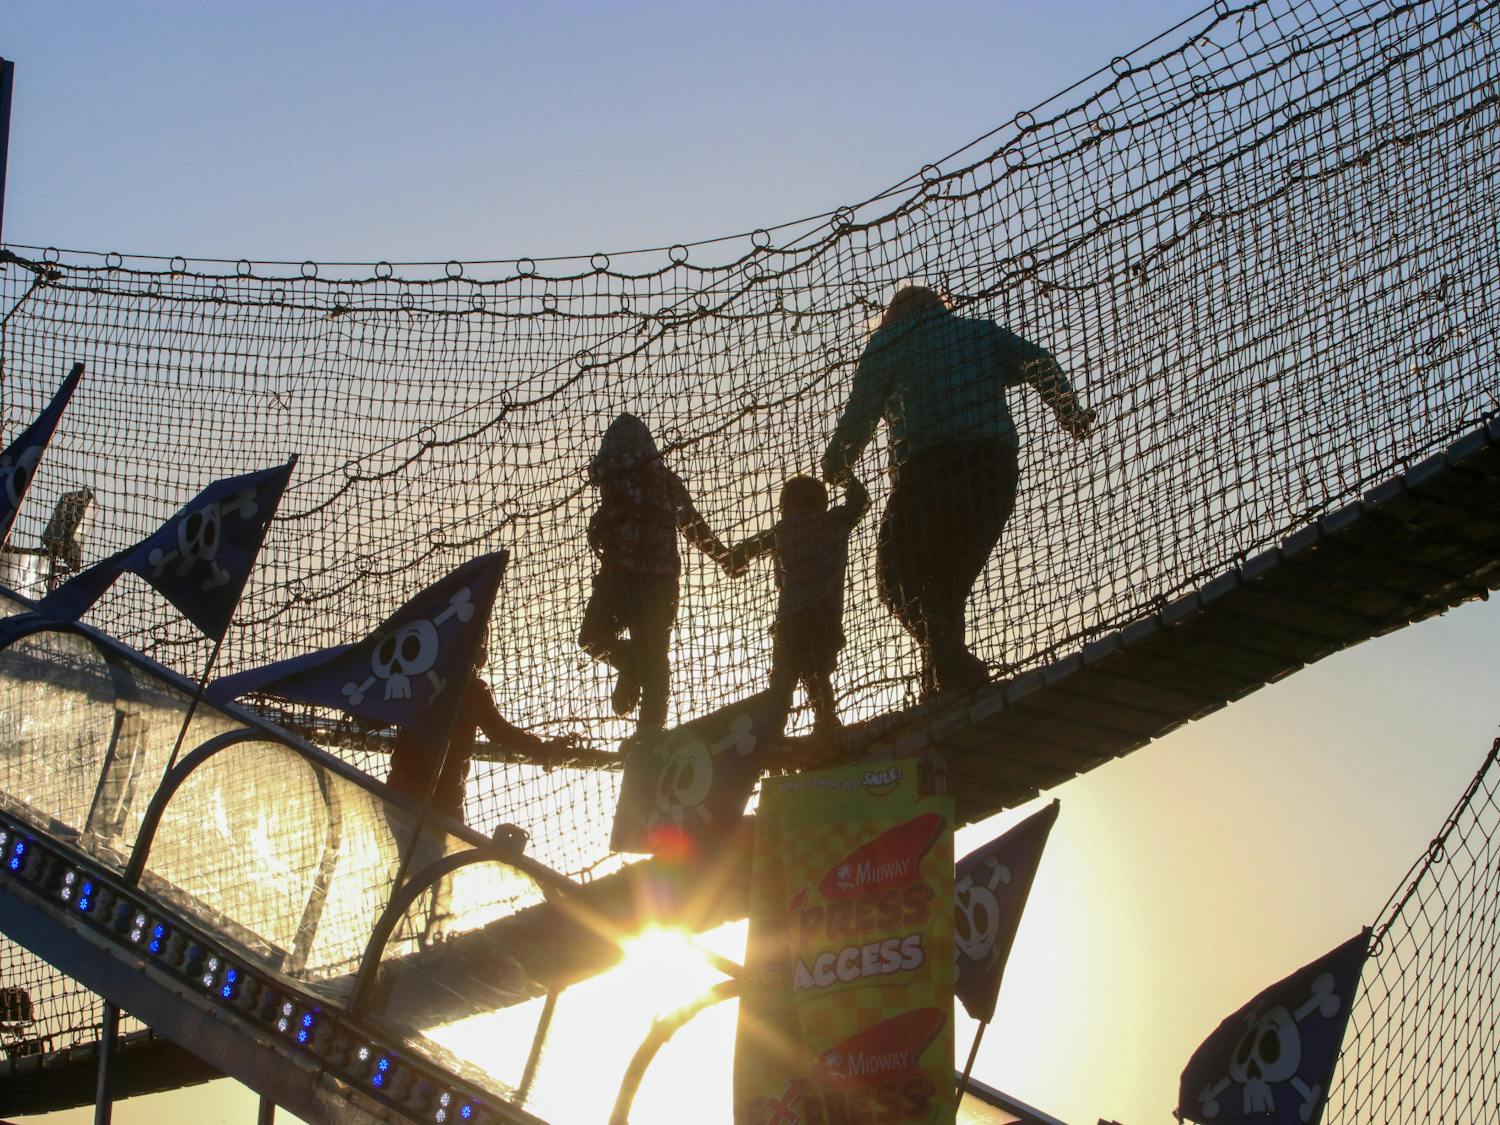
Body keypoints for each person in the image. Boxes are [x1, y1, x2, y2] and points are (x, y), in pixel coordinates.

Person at [821, 285, 1095, 701]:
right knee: (945, 592)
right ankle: (944, 687)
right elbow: (1038, 362)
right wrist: (1067, 410)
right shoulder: (978, 332)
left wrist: (836, 464)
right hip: (993, 469)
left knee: (896, 583)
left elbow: (862, 410)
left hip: (929, 471)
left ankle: (962, 673)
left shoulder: (889, 342)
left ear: (894, 315)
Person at [580, 412, 731, 732]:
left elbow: (689, 523)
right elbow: (692, 525)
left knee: (601, 641)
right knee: (650, 660)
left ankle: (643, 712)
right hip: (650, 581)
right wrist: (721, 556)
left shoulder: (619, 477)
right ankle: (646, 716)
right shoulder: (662, 480)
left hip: (629, 579)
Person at [723, 474, 870, 736]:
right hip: (823, 616)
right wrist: (842, 475)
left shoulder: (784, 530)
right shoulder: (835, 521)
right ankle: (825, 720)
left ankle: (772, 730)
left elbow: (747, 549)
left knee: (783, 679)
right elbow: (860, 501)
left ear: (786, 504)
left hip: (791, 618)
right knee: (817, 673)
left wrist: (731, 558)